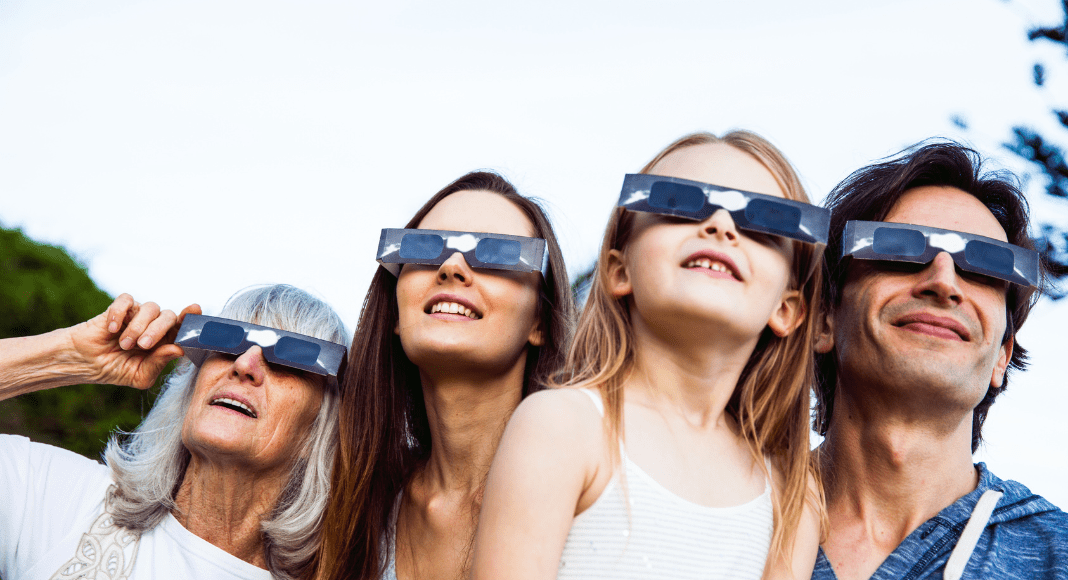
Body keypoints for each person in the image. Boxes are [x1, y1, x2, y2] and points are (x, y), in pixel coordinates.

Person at [470, 131, 827, 580]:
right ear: (620, 270)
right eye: (678, 204)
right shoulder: (562, 426)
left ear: (787, 308)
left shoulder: (791, 496)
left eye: (765, 222)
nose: (720, 225)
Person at [811, 141, 1068, 580]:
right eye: (901, 248)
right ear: (824, 319)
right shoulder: (715, 511)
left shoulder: (1057, 557)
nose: (944, 281)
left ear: (1002, 357)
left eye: (985, 266)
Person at [310, 171, 574, 580]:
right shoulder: (350, 513)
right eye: (424, 248)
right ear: (396, 312)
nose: (452, 266)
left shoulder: (586, 504)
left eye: (498, 252)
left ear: (539, 320)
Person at [0, 284, 349, 580]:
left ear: (318, 432)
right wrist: (64, 358)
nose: (244, 365)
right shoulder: (56, 498)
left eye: (287, 359)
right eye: (228, 344)